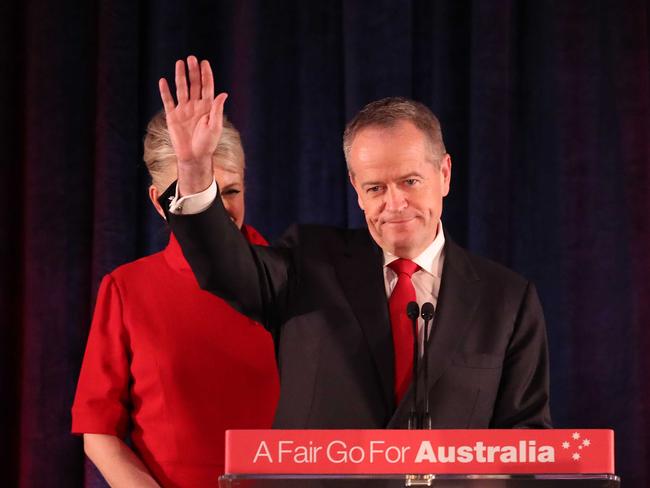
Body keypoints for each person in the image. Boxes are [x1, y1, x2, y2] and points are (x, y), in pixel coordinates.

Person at [160, 56, 551, 430]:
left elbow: (527, 441)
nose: (394, 204)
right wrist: (194, 168)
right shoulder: (307, 263)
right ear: (356, 190)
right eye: (375, 187)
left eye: (410, 182)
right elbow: (225, 270)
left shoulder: (507, 301)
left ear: (444, 174)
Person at [71, 109, 279, 487]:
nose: (215, 211)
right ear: (157, 201)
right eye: (196, 192)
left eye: (229, 191)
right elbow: (98, 430)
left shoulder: (293, 278)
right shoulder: (127, 288)